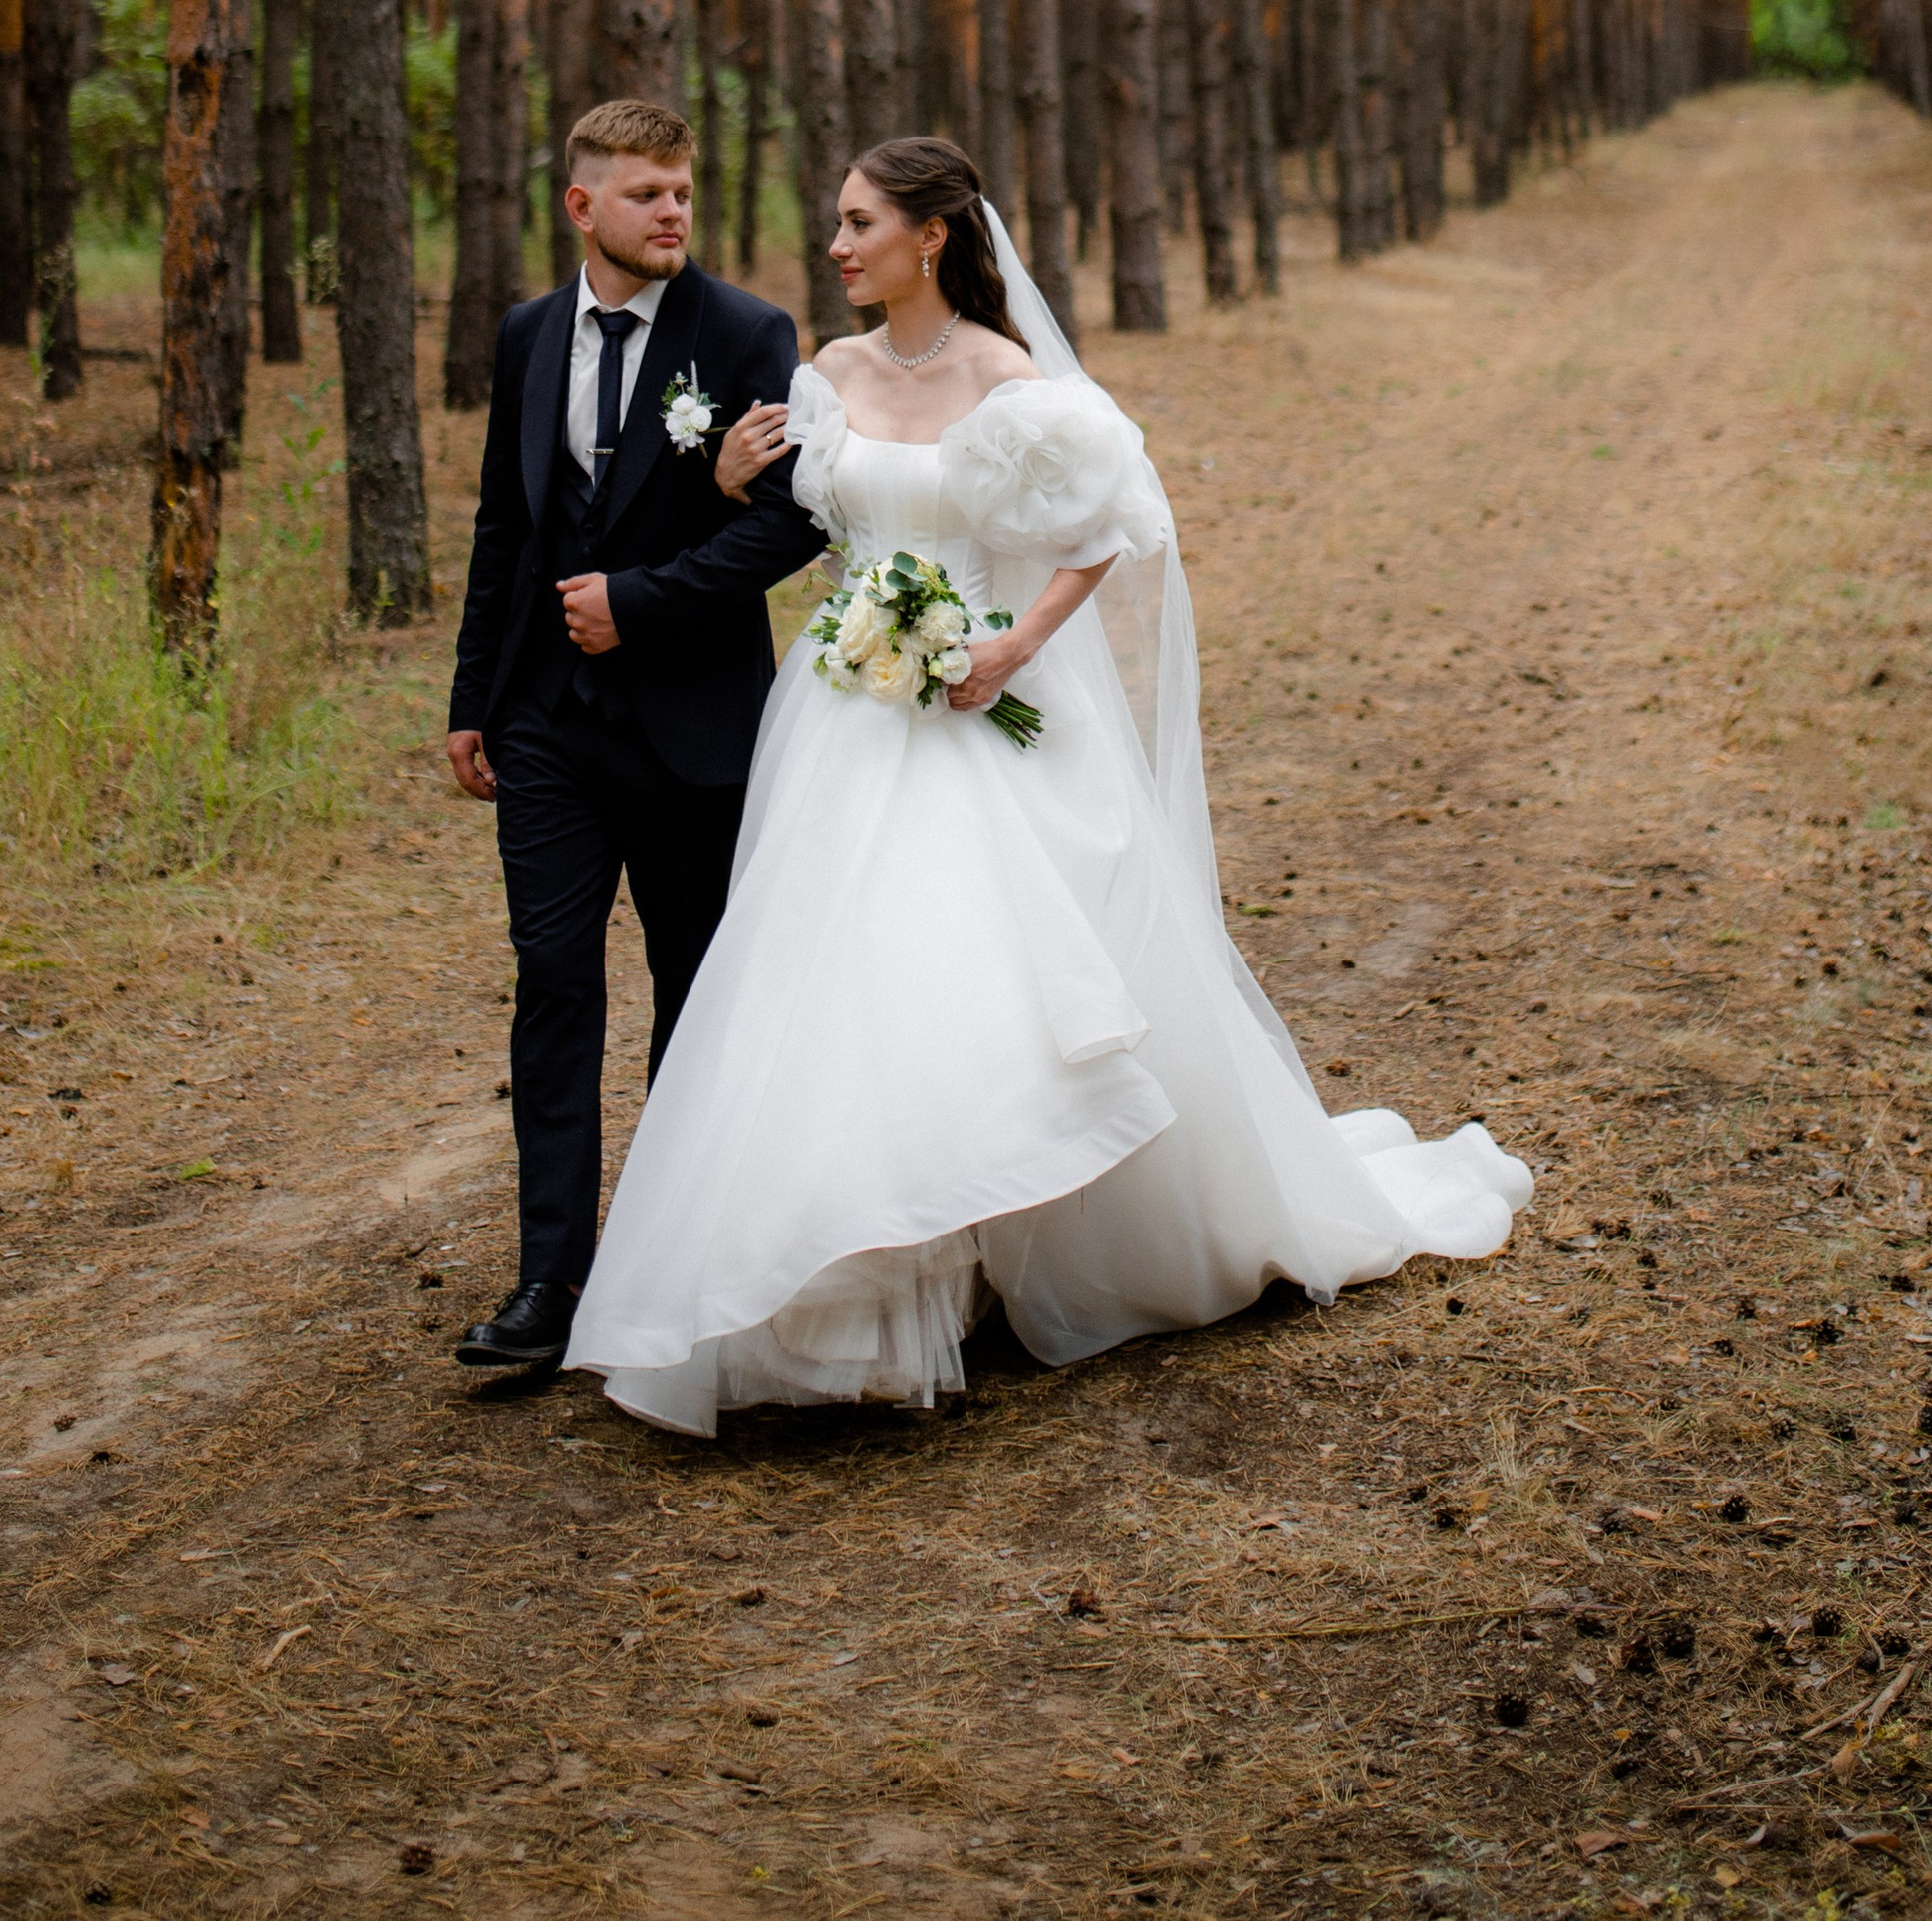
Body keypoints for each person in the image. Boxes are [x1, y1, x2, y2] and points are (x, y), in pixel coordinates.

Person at [560, 135, 1533, 1435]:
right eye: (836, 224)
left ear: (933, 238)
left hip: (969, 708)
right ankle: (847, 1294)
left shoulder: (1009, 378)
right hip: (845, 713)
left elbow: (1109, 529)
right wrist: (738, 475)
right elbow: (816, 519)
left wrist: (1009, 643)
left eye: (858, 223)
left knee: (967, 975)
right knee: (832, 979)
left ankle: (987, 1251)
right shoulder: (831, 372)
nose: (837, 246)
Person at [443, 99, 824, 1381]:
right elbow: (510, 521)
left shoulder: (749, 333)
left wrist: (641, 601)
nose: (673, 213)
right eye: (647, 193)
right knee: (552, 981)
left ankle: (677, 1264)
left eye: (682, 191)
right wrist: (471, 699)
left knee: (691, 995)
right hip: (546, 723)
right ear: (581, 207)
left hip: (691, 727)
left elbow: (790, 525)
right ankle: (550, 1277)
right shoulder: (527, 334)